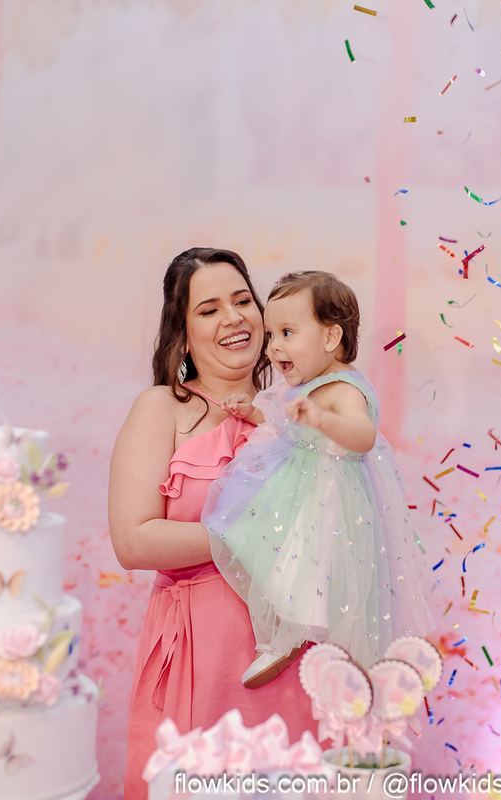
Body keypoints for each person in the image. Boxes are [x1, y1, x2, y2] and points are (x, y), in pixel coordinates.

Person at [109, 248, 318, 800]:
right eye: (209, 309)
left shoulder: (301, 410)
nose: (233, 317)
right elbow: (133, 540)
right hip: (202, 651)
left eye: (243, 300)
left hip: (298, 649)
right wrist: (248, 536)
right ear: (181, 335)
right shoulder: (163, 409)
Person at [205, 270, 435, 688]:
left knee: (304, 568)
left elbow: (363, 435)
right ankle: (278, 632)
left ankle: (289, 635)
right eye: (271, 334)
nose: (273, 347)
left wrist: (323, 419)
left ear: (330, 338)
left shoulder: (343, 389)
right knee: (258, 548)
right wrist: (252, 412)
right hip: (296, 486)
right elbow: (284, 422)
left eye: (287, 333)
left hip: (327, 499)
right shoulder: (305, 383)